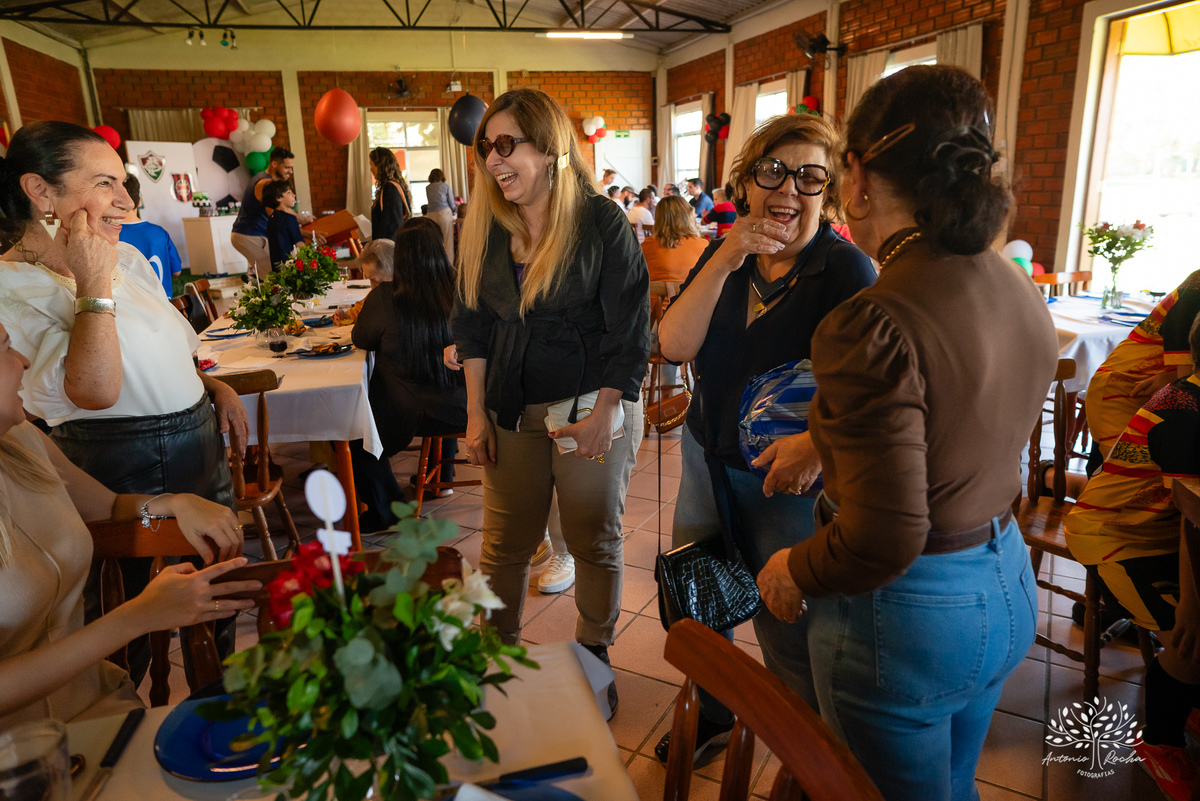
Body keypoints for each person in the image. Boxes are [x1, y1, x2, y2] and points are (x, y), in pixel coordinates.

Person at [753, 66, 1058, 801]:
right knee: (951, 785)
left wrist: (793, 566)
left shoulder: (870, 320)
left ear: (856, 177)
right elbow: (952, 410)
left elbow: (883, 539)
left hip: (914, 613)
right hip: (1005, 574)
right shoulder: (1011, 280)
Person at [657, 112, 876, 765]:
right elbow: (674, 344)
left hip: (786, 481)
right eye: (773, 171)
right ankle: (714, 713)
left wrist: (816, 447)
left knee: (785, 622)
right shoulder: (725, 254)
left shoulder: (846, 271)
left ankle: (802, 755)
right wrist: (726, 255)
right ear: (747, 180)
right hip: (706, 457)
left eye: (810, 177)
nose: (787, 190)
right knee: (701, 603)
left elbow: (867, 396)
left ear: (828, 193)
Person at [0, 121, 250, 687]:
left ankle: (220, 705)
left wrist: (214, 388)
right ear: (40, 192)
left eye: (123, 182)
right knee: (128, 620)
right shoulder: (11, 286)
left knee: (220, 589)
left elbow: (168, 349)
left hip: (198, 438)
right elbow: (95, 389)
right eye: (104, 183)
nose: (126, 201)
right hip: (117, 457)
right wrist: (92, 283)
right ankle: (117, 717)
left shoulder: (128, 258)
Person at [452, 88, 649, 712]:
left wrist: (607, 411)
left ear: (550, 149)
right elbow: (472, 329)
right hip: (510, 406)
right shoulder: (485, 226)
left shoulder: (599, 221)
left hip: (590, 403)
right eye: (486, 148)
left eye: (506, 144)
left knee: (593, 539)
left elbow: (630, 328)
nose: (493, 160)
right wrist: (476, 414)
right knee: (504, 546)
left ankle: (594, 654)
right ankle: (496, 661)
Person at [0, 319, 260, 729]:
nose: (23, 361)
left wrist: (174, 502)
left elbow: (108, 506)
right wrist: (138, 616)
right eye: (4, 349)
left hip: (99, 705)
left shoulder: (23, 442)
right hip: (23, 747)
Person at [1066, 314, 1200, 799]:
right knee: (1192, 641)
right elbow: (1194, 524)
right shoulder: (1187, 412)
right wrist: (1191, 610)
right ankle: (1159, 741)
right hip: (1117, 538)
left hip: (1160, 528)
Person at [350, 217, 467, 531]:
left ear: (399, 255)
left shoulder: (385, 296)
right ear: (440, 249)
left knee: (355, 432)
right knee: (444, 380)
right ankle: (443, 477)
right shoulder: (462, 289)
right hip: (461, 408)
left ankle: (386, 510)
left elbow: (361, 339)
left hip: (404, 413)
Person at [1084, 269, 1200, 473]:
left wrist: (1170, 377)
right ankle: (1051, 477)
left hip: (1162, 393)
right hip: (1125, 388)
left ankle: (1056, 480)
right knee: (1126, 478)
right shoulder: (1195, 291)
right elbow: (1190, 394)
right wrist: (1173, 378)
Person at [230, 146, 295, 278]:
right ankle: (255, 280)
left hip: (253, 234)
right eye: (287, 167)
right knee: (277, 274)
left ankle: (254, 279)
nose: (291, 171)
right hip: (251, 235)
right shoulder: (265, 183)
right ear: (274, 164)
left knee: (279, 272)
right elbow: (275, 213)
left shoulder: (267, 180)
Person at [118, 175, 180, 298]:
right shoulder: (159, 232)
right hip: (163, 303)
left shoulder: (111, 235)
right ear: (139, 201)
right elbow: (177, 271)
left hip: (130, 305)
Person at [641, 195, 708, 298]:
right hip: (692, 305)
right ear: (688, 217)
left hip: (656, 307)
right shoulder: (703, 245)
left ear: (658, 218)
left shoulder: (647, 246)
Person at [334, 238, 393, 326]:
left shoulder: (407, 295)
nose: (372, 286)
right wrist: (347, 316)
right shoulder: (377, 293)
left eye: (374, 280)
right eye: (368, 279)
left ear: (393, 271)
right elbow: (361, 309)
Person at [369, 147, 412, 244]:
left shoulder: (389, 187)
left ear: (380, 165)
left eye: (372, 165)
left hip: (389, 247)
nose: (371, 169)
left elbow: (392, 226)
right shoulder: (394, 185)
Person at [264, 179, 304, 268]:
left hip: (278, 268)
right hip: (291, 268)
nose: (294, 195)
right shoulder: (290, 218)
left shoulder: (271, 218)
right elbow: (300, 245)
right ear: (278, 198)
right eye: (289, 192)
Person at [425, 168, 457, 264]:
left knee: (434, 241)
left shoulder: (428, 188)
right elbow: (451, 202)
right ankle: (449, 265)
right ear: (441, 176)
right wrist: (454, 210)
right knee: (448, 241)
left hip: (431, 215)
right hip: (444, 214)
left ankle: (436, 264)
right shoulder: (445, 186)